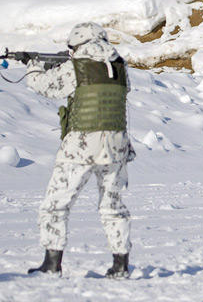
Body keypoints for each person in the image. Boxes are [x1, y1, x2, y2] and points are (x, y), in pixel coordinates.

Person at [25, 22, 135, 278]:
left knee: (55, 204)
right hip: (117, 145)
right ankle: (120, 265)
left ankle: (52, 264)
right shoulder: (119, 65)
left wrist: (33, 66)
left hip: (81, 145)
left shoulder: (76, 66)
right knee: (113, 206)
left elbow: (44, 86)